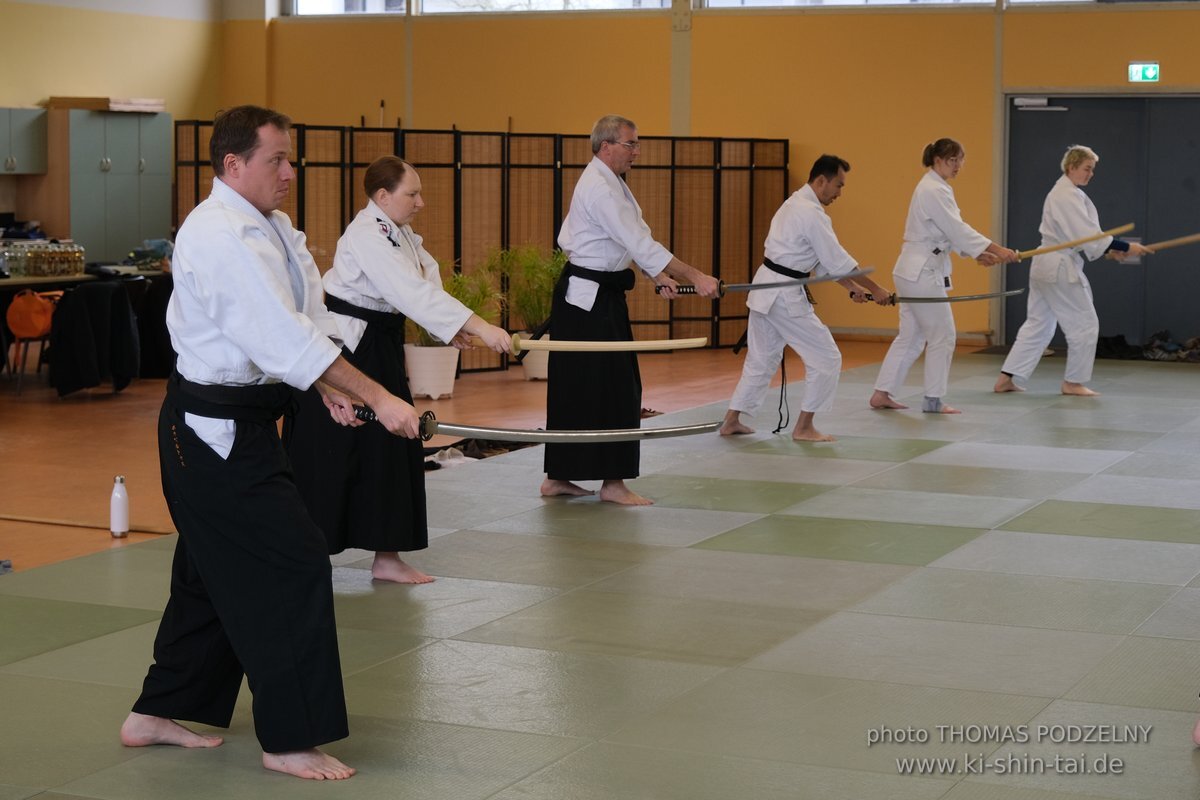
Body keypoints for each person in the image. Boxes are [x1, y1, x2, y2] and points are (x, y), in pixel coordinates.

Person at [119, 105, 421, 781]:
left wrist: (331, 388)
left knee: (210, 573)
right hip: (210, 433)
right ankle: (289, 737)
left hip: (249, 421)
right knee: (293, 562)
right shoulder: (218, 235)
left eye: (291, 159)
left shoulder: (275, 229)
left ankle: (156, 712)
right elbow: (278, 339)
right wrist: (377, 394)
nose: (290, 172)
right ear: (233, 165)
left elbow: (307, 320)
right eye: (276, 160)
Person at [286, 156, 511, 583]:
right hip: (347, 347)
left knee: (392, 447)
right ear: (383, 196)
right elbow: (407, 291)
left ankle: (387, 556)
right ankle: (304, 553)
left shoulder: (400, 233)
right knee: (328, 453)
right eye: (413, 193)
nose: (421, 202)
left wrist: (453, 331)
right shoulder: (367, 234)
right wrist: (478, 325)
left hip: (379, 343)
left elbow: (425, 281)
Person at [541, 114, 720, 506]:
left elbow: (632, 242)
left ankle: (562, 476)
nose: (637, 151)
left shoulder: (612, 182)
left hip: (595, 298)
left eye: (636, 144)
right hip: (587, 302)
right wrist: (696, 275)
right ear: (606, 146)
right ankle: (609, 483)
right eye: (631, 144)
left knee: (589, 387)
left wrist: (658, 276)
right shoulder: (601, 187)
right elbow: (640, 243)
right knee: (612, 389)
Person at [719, 155, 892, 442]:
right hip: (783, 293)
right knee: (826, 357)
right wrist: (876, 289)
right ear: (821, 180)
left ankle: (731, 421)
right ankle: (804, 427)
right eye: (838, 185)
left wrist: (851, 287)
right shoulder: (810, 213)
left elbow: (825, 264)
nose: (839, 193)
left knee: (761, 360)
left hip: (765, 290)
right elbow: (839, 262)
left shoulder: (794, 204)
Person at [870, 138, 1019, 414]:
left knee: (912, 336)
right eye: (953, 160)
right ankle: (933, 399)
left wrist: (977, 254)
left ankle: (882, 393)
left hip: (911, 270)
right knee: (943, 334)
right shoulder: (932, 189)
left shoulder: (935, 187)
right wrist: (998, 249)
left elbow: (948, 232)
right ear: (937, 159)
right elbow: (957, 228)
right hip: (921, 272)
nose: (958, 166)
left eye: (960, 160)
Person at [994, 145, 1152, 396]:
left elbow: (1081, 239)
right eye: (1087, 168)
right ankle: (1073, 382)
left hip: (1046, 265)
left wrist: (1111, 250)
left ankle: (1006, 379)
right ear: (1072, 167)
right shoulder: (1066, 195)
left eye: (1092, 169)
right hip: (1058, 268)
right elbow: (1087, 235)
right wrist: (1124, 245)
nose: (1091, 174)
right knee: (1085, 323)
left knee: (1038, 325)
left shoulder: (1065, 193)